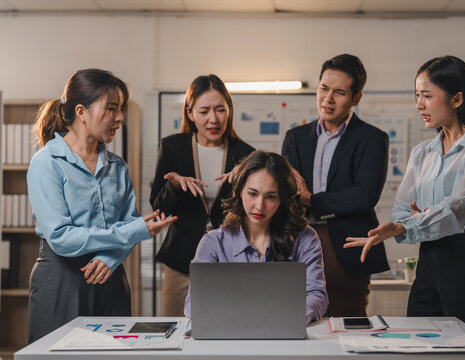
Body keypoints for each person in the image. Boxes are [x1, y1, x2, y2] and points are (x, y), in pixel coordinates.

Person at [344, 55, 465, 345]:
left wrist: (411, 223)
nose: (419, 104)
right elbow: (400, 209)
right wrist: (417, 220)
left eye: (427, 96)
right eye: (417, 95)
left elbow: (457, 209)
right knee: (420, 345)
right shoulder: (423, 152)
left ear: (456, 99)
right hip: (430, 260)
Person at [27, 68, 177, 343]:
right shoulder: (46, 163)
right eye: (111, 108)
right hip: (61, 279)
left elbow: (129, 221)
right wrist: (133, 231)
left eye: (121, 109)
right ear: (81, 111)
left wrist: (110, 259)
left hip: (110, 277)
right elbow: (61, 237)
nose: (120, 117)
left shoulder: (117, 166)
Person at [282, 53, 389, 317]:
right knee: (295, 322)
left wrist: (310, 199)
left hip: (347, 245)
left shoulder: (372, 139)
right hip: (298, 241)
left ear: (356, 98)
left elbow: (363, 197)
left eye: (339, 92)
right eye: (323, 89)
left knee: (347, 325)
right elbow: (287, 192)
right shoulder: (295, 138)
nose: (328, 99)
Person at [150, 74, 254, 316]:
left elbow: (255, 213)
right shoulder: (172, 147)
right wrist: (174, 186)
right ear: (190, 113)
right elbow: (158, 209)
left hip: (230, 262)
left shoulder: (246, 154)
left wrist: (245, 181)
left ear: (229, 110)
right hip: (180, 261)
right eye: (204, 111)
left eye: (220, 109)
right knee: (175, 334)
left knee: (226, 331)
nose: (213, 119)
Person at [184, 151, 328, 324]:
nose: (259, 206)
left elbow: (316, 295)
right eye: (252, 194)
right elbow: (193, 304)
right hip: (228, 335)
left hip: (285, 334)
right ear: (239, 191)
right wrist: (238, 318)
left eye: (271, 197)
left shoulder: (305, 238)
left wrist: (287, 319)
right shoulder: (213, 242)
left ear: (283, 199)